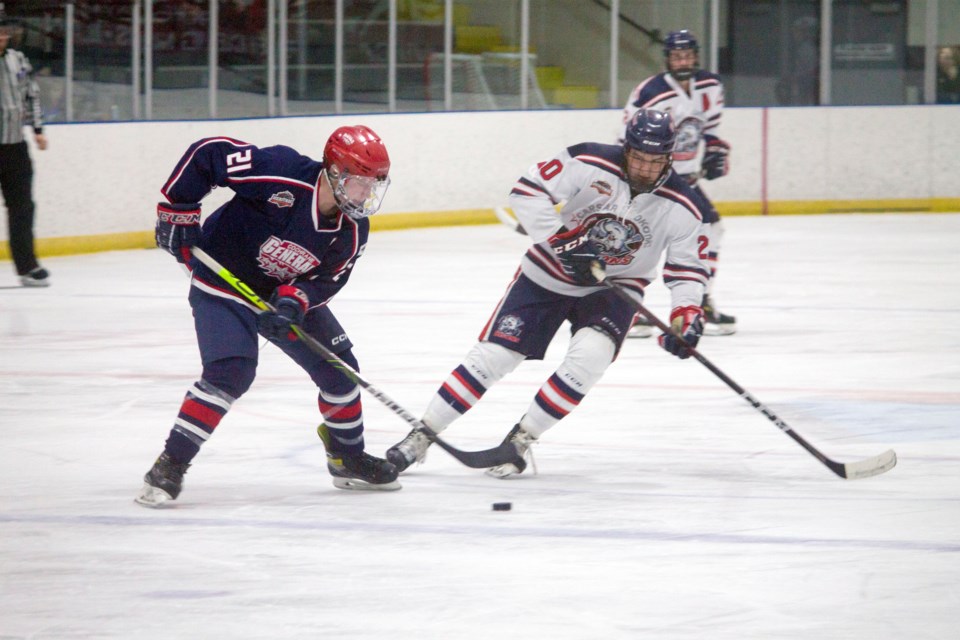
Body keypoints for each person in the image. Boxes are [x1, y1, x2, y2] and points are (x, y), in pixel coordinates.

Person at [386, 108, 711, 478]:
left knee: (589, 358)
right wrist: (563, 242)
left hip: (616, 287)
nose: (644, 168)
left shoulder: (685, 204)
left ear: (669, 157)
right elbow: (527, 190)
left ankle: (520, 441)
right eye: (638, 157)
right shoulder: (587, 158)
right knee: (494, 356)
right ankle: (421, 436)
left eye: (655, 161)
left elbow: (687, 270)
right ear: (626, 149)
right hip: (548, 272)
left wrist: (687, 315)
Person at [136, 125, 400, 507]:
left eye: (375, 184)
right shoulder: (281, 171)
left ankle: (347, 458)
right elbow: (209, 154)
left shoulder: (353, 229)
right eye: (360, 182)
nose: (366, 194)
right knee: (231, 371)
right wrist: (177, 210)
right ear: (335, 172)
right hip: (224, 279)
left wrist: (295, 300)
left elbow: (329, 279)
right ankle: (170, 463)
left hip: (280, 293)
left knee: (341, 372)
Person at [621, 29, 733, 338]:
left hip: (687, 180)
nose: (683, 61)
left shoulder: (710, 85)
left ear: (696, 56)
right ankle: (622, 308)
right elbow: (627, 142)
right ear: (667, 59)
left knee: (711, 229)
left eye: (688, 55)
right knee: (636, 241)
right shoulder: (650, 93)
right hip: (653, 180)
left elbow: (709, 129)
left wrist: (714, 150)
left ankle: (700, 303)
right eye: (676, 56)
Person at [0, 5, 49, 287]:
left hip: (15, 147)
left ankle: (27, 266)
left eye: (5, 30)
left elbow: (32, 95)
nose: (3, 35)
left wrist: (38, 129)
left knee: (22, 207)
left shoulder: (18, 59)